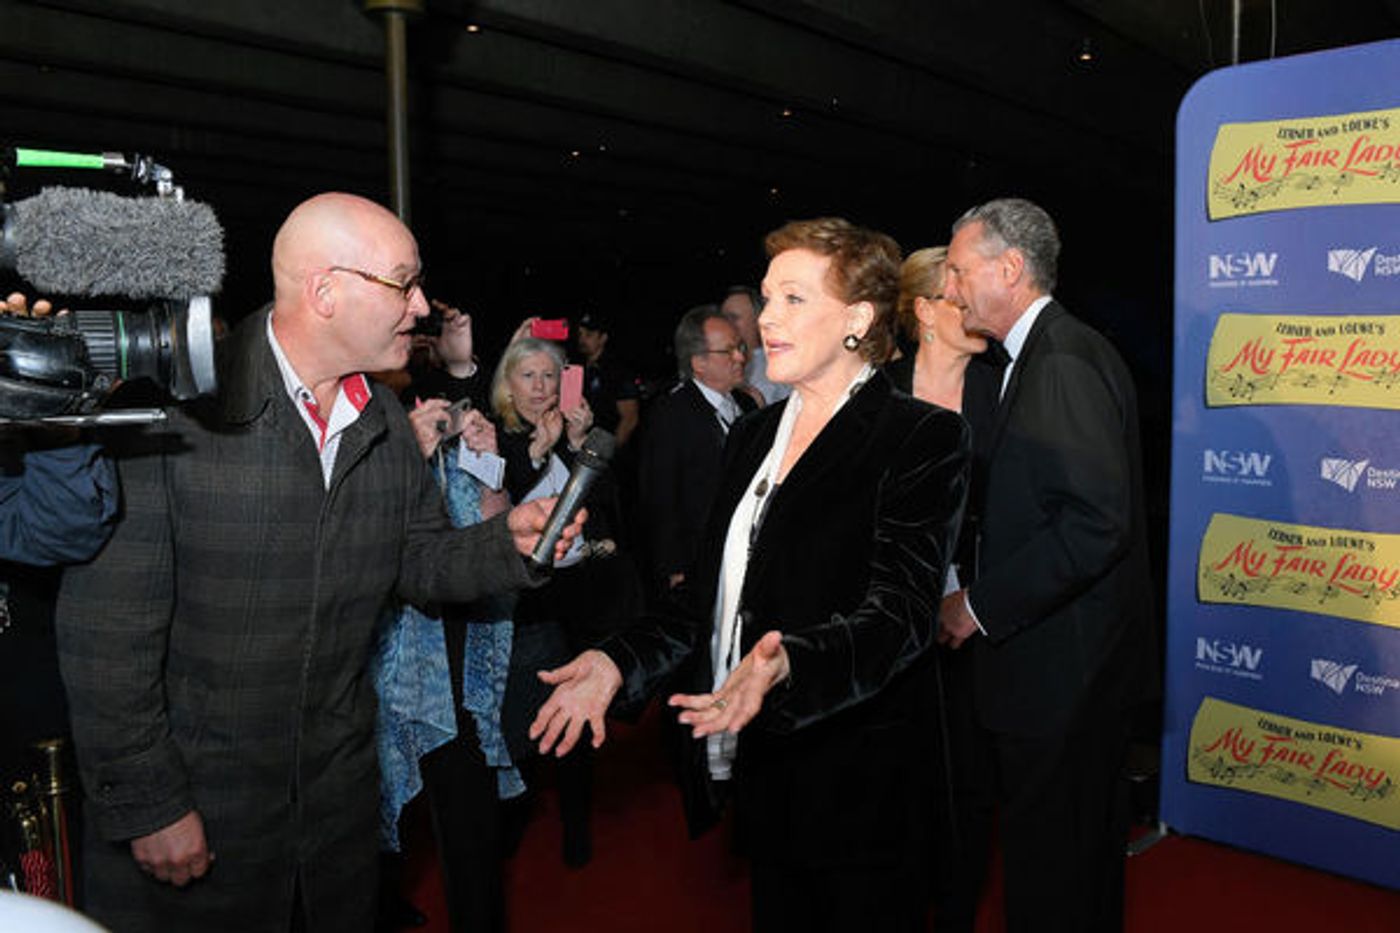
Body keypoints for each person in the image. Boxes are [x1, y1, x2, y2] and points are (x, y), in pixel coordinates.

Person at [54, 192, 581, 933]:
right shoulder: (175, 409)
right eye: (404, 282)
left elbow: (419, 559)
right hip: (201, 810)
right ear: (325, 291)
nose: (422, 305)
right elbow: (106, 635)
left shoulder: (384, 422)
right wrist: (148, 801)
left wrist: (509, 543)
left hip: (333, 816)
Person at [531, 217, 972, 930]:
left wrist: (790, 661)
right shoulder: (754, 433)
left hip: (861, 789)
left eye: (793, 299)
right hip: (766, 774)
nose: (766, 319)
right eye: (767, 298)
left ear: (858, 318)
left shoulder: (921, 437)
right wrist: (618, 663)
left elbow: (900, 616)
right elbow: (701, 600)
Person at [936, 198, 1154, 933]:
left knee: (1053, 870)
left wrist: (976, 604)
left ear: (1010, 268)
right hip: (1074, 671)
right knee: (1076, 860)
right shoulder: (1052, 351)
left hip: (1063, 677)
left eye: (961, 270)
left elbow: (1095, 523)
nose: (951, 286)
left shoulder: (1058, 360)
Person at [884, 247, 997, 933]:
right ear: (926, 310)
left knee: (970, 775)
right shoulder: (879, 392)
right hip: (892, 613)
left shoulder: (1001, 389)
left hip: (975, 618)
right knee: (898, 771)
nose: (976, 306)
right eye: (960, 295)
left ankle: (956, 906)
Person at [636, 305, 756, 595]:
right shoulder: (670, 414)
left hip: (743, 556)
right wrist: (673, 568)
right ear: (699, 362)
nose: (740, 357)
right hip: (695, 563)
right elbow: (660, 495)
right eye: (728, 351)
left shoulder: (748, 405)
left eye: (740, 347)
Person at [721, 284, 789, 405]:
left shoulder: (779, 370)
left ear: (759, 321)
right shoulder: (714, 365)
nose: (725, 324)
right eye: (722, 318)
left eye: (733, 317)